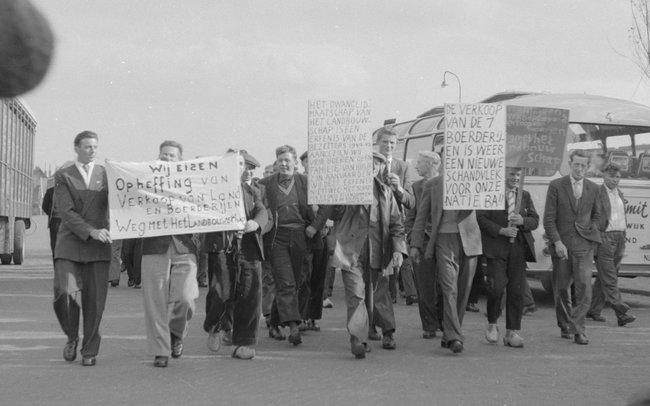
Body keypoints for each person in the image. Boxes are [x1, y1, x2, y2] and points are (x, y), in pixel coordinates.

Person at [311, 152, 407, 358]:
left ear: (379, 168)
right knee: (356, 293)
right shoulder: (345, 190)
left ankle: (388, 332)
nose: (369, 169)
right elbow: (334, 214)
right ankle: (358, 339)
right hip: (350, 250)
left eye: (374, 165)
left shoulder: (385, 192)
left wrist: (399, 249)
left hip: (378, 249)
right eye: (365, 165)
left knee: (380, 294)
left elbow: (397, 224)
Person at [52, 130, 112, 366]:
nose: (92, 150)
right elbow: (66, 212)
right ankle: (71, 337)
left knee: (95, 301)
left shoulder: (106, 175)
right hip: (70, 245)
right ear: (76, 148)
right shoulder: (63, 175)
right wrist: (91, 231)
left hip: (99, 248)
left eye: (95, 147)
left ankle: (89, 351)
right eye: (87, 146)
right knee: (67, 294)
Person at [203, 151, 269, 359]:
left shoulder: (251, 192)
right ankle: (215, 326)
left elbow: (262, 211)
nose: (239, 167)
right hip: (223, 248)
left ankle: (244, 343)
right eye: (234, 163)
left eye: (241, 164)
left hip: (247, 249)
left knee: (250, 294)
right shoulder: (212, 191)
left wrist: (256, 222)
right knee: (220, 291)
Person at [410, 166, 482, 354]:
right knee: (449, 287)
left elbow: (485, 202)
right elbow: (421, 215)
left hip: (469, 241)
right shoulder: (432, 185)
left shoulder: (476, 180)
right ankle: (454, 336)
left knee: (463, 290)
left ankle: (450, 332)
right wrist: (416, 244)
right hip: (443, 239)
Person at [140, 141, 199, 367]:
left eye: (171, 156)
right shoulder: (145, 183)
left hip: (184, 247)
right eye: (163, 155)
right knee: (155, 301)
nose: (166, 159)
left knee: (185, 298)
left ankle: (176, 333)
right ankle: (160, 351)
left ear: (180, 160)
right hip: (154, 247)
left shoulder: (193, 184)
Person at [258, 145, 315, 345]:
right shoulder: (265, 184)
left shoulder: (305, 182)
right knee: (286, 281)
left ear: (295, 163)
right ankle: (293, 327)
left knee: (295, 282)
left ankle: (274, 323)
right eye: (280, 160)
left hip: (300, 236)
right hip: (276, 238)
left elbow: (325, 206)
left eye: (287, 160)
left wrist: (315, 227)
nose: (283, 164)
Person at [543, 150, 601, 345]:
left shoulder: (593, 188)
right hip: (562, 246)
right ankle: (565, 324)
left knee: (584, 288)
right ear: (570, 164)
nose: (579, 168)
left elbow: (599, 216)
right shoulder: (556, 186)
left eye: (583, 165)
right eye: (576, 164)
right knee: (561, 289)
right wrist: (557, 242)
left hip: (584, 246)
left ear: (588, 167)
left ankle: (578, 329)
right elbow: (549, 219)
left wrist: (591, 231)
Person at [477, 167, 539, 348]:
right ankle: (492, 324)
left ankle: (512, 331)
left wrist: (523, 221)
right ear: (503, 174)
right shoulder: (491, 192)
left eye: (518, 175)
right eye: (512, 174)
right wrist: (501, 230)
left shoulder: (524, 195)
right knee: (496, 288)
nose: (515, 178)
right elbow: (481, 218)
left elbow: (535, 220)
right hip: (496, 248)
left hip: (518, 249)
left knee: (516, 291)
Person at [587, 163, 636, 326]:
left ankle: (593, 310)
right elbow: (591, 216)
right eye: (611, 176)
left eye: (617, 177)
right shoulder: (597, 193)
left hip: (620, 238)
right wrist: (597, 236)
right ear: (604, 176)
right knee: (610, 278)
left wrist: (624, 235)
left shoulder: (619, 193)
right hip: (605, 238)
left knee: (604, 277)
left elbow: (621, 217)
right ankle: (621, 312)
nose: (615, 180)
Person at [376, 126, 418, 305]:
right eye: (385, 142)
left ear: (397, 144)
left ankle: (395, 293)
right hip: (374, 220)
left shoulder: (404, 167)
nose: (388, 146)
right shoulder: (370, 164)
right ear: (378, 143)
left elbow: (411, 201)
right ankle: (385, 294)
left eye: (392, 143)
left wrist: (399, 188)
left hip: (395, 220)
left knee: (397, 256)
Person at [404, 151, 443, 339]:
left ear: (431, 164)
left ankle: (445, 322)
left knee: (445, 285)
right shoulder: (416, 186)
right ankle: (429, 325)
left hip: (443, 240)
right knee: (425, 285)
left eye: (419, 163)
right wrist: (413, 240)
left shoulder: (446, 183)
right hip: (423, 241)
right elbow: (411, 217)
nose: (416, 166)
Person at [300, 151, 328, 331]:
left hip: (322, 236)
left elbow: (330, 209)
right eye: (309, 162)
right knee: (304, 277)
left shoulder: (326, 183)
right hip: (304, 236)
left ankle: (313, 317)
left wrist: (320, 225)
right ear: (304, 164)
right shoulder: (300, 183)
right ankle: (301, 315)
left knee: (319, 277)